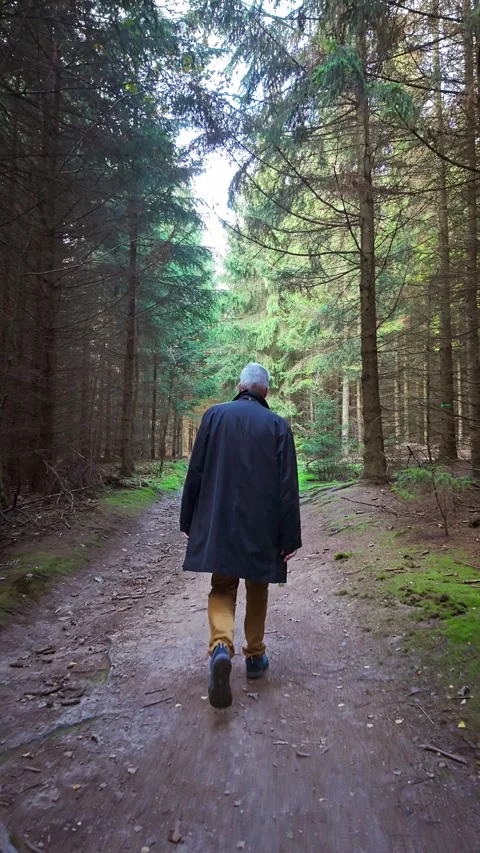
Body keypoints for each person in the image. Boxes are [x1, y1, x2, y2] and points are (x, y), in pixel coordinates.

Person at [180, 363, 302, 708]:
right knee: (258, 585)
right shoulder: (278, 425)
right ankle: (254, 657)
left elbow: (197, 471)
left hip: (219, 521)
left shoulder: (214, 416)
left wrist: (189, 519)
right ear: (266, 391)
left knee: (222, 585)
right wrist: (289, 536)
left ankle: (221, 646)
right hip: (262, 525)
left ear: (239, 386)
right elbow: (287, 488)